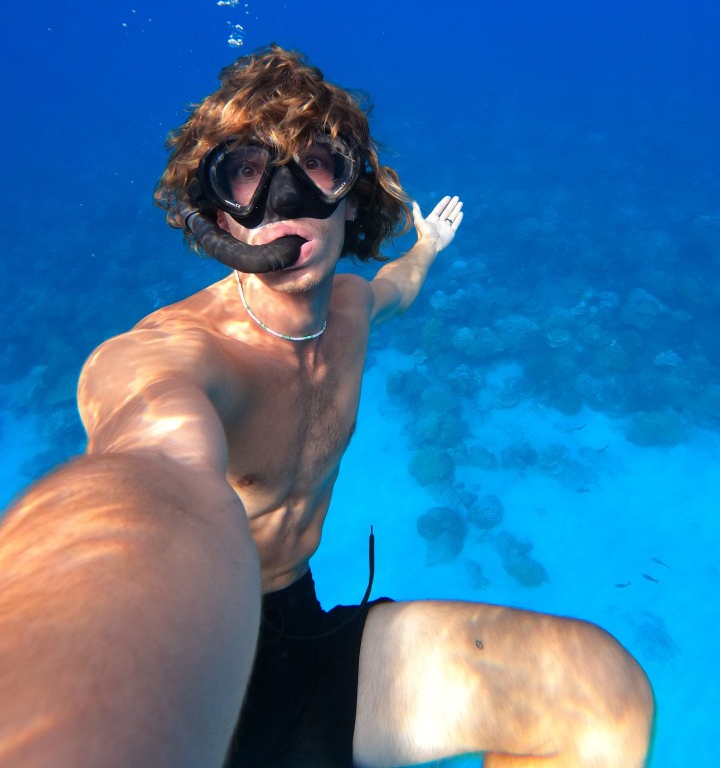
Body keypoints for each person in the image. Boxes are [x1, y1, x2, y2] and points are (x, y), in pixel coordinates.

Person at [0, 46, 653, 768]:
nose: (286, 200)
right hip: (178, 654)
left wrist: (426, 245)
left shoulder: (347, 308)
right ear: (218, 211)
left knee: (598, 695)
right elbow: (148, 458)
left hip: (297, 632)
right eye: (247, 170)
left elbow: (395, 287)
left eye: (317, 161)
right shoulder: (180, 354)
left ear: (352, 191)